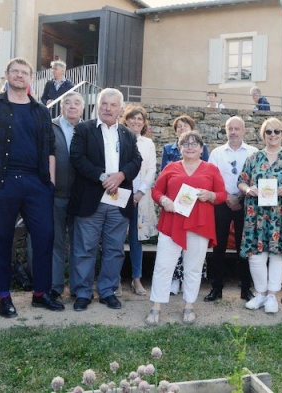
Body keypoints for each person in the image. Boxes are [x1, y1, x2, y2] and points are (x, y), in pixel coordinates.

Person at [0, 57, 64, 318]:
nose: (19, 75)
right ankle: (4, 297)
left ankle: (40, 294)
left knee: (44, 236)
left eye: (24, 72)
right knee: (3, 238)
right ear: (6, 75)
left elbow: (50, 148)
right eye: (15, 71)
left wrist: (50, 183)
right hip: (2, 182)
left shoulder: (40, 110)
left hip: (36, 183)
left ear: (31, 78)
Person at [68, 88, 142, 312]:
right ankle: (82, 293)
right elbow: (76, 158)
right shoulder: (83, 129)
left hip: (118, 202)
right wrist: (103, 177)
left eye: (112, 105)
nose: (108, 108)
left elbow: (136, 160)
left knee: (114, 249)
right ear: (97, 106)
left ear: (120, 109)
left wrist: (121, 175)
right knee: (84, 248)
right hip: (91, 200)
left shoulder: (128, 134)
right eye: (104, 104)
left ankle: (108, 291)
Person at [146, 130, 226, 325]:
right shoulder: (171, 167)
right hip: (173, 223)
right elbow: (156, 191)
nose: (190, 147)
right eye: (186, 143)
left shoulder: (211, 169)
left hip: (199, 224)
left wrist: (211, 195)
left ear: (201, 148)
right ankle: (156, 306)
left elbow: (222, 194)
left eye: (194, 143)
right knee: (163, 266)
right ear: (180, 148)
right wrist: (164, 201)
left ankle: (189, 305)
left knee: (193, 268)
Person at [238, 118, 282, 314]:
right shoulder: (253, 158)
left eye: (277, 131)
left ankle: (271, 296)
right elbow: (241, 181)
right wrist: (248, 188)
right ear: (263, 135)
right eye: (269, 132)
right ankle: (260, 294)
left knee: (278, 254)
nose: (273, 135)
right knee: (257, 256)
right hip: (257, 215)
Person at [205, 116, 257, 302]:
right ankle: (216, 289)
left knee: (245, 247)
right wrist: (227, 197)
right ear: (226, 131)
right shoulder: (217, 153)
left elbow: (255, 179)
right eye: (230, 128)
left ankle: (246, 289)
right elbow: (210, 179)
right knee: (218, 248)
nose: (233, 132)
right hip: (221, 204)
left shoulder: (253, 152)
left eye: (237, 128)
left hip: (246, 204)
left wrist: (240, 197)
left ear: (244, 131)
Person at [161, 114, 209, 295]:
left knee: (192, 250)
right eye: (179, 126)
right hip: (174, 205)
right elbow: (163, 176)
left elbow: (205, 172)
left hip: (195, 205)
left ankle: (186, 283)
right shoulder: (169, 149)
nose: (182, 128)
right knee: (173, 245)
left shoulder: (202, 149)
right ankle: (174, 279)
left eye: (185, 125)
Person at [49, 91, 85, 301]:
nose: (72, 106)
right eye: (68, 103)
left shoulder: (89, 129)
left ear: (82, 108)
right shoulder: (50, 127)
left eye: (77, 103)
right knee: (56, 243)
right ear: (61, 107)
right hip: (55, 196)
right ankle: (55, 286)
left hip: (81, 198)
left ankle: (78, 288)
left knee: (80, 244)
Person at [120, 105, 158, 296]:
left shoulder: (148, 144)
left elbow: (151, 169)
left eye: (139, 119)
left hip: (139, 197)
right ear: (126, 119)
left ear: (144, 123)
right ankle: (114, 280)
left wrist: (140, 193)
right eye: (132, 118)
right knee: (116, 238)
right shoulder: (118, 137)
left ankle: (136, 279)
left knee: (136, 240)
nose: (135, 122)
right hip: (118, 195)